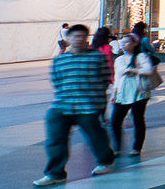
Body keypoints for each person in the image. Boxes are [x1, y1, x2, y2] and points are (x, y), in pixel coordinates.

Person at [34, 23, 115, 185]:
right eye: (76, 36)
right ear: (68, 39)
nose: (79, 39)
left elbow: (105, 78)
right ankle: (55, 173)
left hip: (88, 106)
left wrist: (98, 101)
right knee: (56, 139)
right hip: (63, 105)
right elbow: (56, 81)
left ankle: (104, 161)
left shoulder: (97, 57)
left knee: (95, 135)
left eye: (82, 36)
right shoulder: (60, 60)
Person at [110, 32, 156, 159]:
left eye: (126, 42)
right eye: (122, 42)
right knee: (115, 121)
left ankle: (137, 148)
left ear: (134, 43)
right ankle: (117, 147)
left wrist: (134, 70)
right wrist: (113, 94)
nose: (123, 44)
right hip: (122, 92)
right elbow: (117, 78)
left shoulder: (141, 56)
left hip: (139, 92)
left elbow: (149, 70)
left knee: (138, 119)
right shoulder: (119, 60)